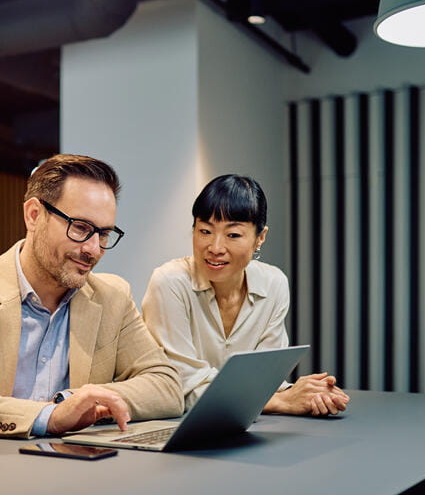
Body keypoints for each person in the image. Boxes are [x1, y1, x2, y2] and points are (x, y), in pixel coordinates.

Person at [0, 154, 183, 438]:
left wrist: (75, 401)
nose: (93, 249)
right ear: (34, 215)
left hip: (78, 472)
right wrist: (48, 417)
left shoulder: (112, 297)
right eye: (81, 228)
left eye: (103, 234)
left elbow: (166, 387)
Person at [142, 174, 350, 415]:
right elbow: (179, 386)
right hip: (175, 427)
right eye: (205, 231)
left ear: (260, 238)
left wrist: (309, 393)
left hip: (248, 425)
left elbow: (265, 380)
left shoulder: (274, 283)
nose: (215, 248)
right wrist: (282, 401)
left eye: (233, 235)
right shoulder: (169, 282)